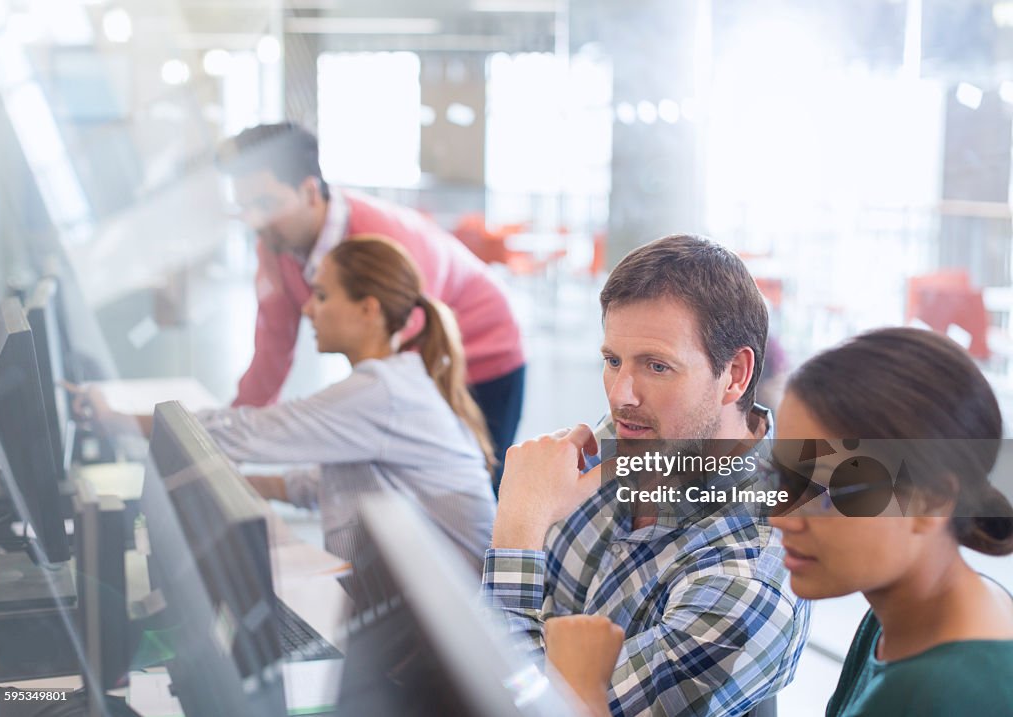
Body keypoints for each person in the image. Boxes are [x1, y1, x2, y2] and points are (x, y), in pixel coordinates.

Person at [483, 235, 810, 716]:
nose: (620, 395)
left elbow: (519, 709)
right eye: (612, 360)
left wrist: (517, 532)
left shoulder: (750, 579)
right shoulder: (636, 437)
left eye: (657, 367)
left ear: (736, 375)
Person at [87, 236, 497, 572]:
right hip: (429, 610)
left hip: (451, 625)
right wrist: (239, 486)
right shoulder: (394, 383)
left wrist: (117, 420)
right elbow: (325, 482)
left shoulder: (382, 391)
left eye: (321, 295)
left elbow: (249, 432)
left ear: (368, 310)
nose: (307, 309)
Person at [216, 123, 525, 480]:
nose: (255, 220)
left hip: (485, 351)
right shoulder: (276, 243)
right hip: (417, 359)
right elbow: (271, 350)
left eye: (265, 203)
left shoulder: (384, 240)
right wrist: (222, 446)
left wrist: (239, 437)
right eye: (245, 207)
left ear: (310, 191)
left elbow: (394, 382)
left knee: (478, 486)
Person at [769, 327, 1013, 716]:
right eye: (784, 479)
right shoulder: (895, 618)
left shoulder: (948, 695)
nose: (781, 516)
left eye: (830, 492)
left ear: (932, 500)